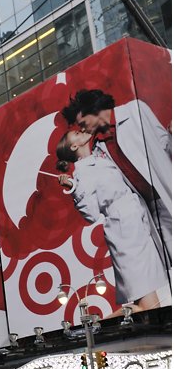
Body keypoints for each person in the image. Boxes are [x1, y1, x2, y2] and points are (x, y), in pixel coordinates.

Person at [56, 129, 167, 310]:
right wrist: (74, 189)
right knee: (148, 303)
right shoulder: (81, 173)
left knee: (149, 301)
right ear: (75, 146)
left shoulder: (100, 155)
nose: (81, 130)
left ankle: (93, 327)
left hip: (138, 220)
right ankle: (92, 327)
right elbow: (91, 215)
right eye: (76, 133)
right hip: (124, 233)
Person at [62, 89, 172, 264]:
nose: (81, 128)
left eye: (82, 122)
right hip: (150, 210)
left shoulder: (135, 110)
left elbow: (165, 146)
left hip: (168, 191)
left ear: (94, 110)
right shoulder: (99, 148)